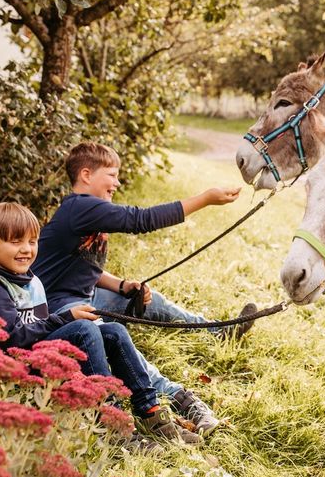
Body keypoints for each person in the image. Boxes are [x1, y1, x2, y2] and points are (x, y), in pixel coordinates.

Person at [32, 141, 250, 437]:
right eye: (111, 174)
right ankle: (175, 396)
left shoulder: (89, 213)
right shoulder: (80, 207)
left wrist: (122, 286)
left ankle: (215, 330)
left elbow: (84, 266)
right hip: (59, 306)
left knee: (150, 299)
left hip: (84, 293)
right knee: (110, 332)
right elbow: (140, 220)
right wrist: (206, 198)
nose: (117, 182)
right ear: (86, 175)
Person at [0, 202, 201, 447]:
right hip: (13, 367)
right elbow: (11, 337)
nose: (26, 250)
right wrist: (67, 318)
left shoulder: (30, 278)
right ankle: (112, 426)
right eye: (15, 242)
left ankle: (150, 411)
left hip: (36, 353)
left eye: (32, 242)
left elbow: (42, 323)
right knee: (84, 329)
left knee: (113, 331)